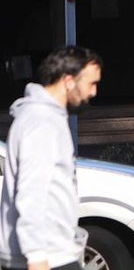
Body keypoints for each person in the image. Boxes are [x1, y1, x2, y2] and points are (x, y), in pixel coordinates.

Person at [0, 46, 103, 270]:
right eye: (91, 83)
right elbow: (31, 192)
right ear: (68, 81)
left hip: (52, 253)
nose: (93, 92)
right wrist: (36, 256)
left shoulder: (44, 118)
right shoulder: (41, 122)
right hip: (46, 258)